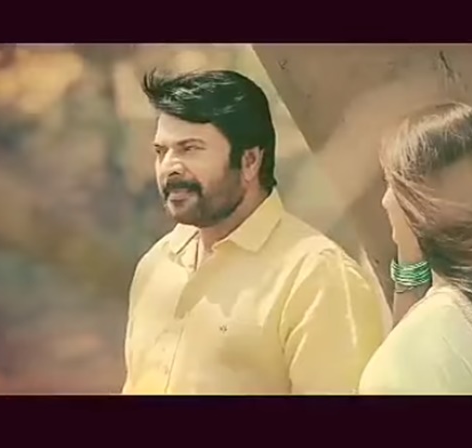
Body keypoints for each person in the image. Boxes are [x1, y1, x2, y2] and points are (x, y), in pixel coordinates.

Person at [121, 68, 388, 394]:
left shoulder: (316, 276)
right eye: (161, 151)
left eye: (190, 148)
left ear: (249, 161)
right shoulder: (158, 264)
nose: (170, 167)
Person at [358, 102, 472, 395]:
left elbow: (408, 354)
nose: (385, 200)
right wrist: (412, 252)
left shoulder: (426, 344)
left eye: (393, 185)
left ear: (424, 203)